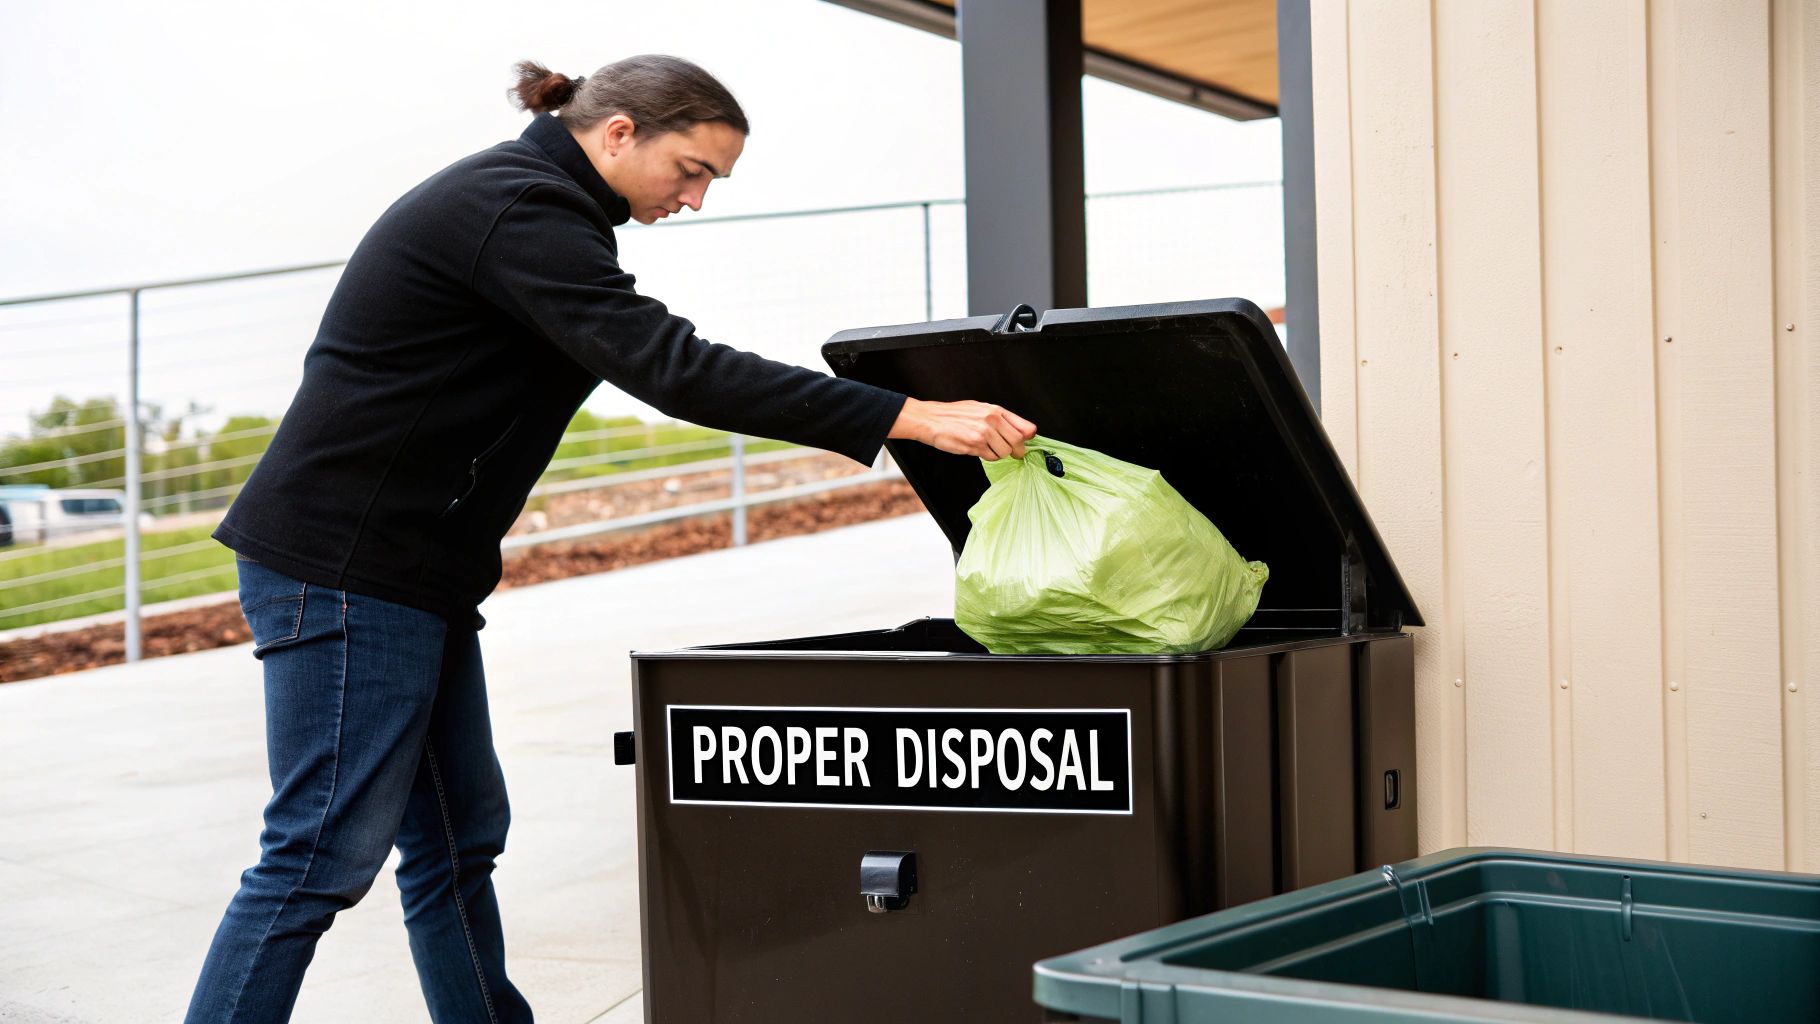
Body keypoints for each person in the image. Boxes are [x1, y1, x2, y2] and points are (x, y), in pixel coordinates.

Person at [185, 55, 1036, 1023]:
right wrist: (907, 414)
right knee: (317, 855)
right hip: (345, 570)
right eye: (693, 169)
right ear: (619, 131)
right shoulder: (517, 211)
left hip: (410, 574)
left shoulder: (541, 210)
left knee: (459, 841)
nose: (697, 197)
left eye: (712, 179)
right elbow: (673, 368)